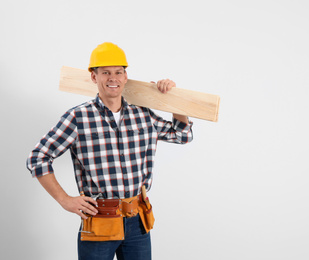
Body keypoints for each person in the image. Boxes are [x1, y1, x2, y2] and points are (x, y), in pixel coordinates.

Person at [26, 42, 193, 260]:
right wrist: (65, 200)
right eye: (105, 73)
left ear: (125, 77)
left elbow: (182, 135)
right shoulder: (78, 118)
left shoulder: (143, 115)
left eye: (118, 72)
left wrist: (172, 99)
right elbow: (38, 158)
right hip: (99, 220)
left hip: (138, 218)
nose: (112, 78)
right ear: (94, 77)